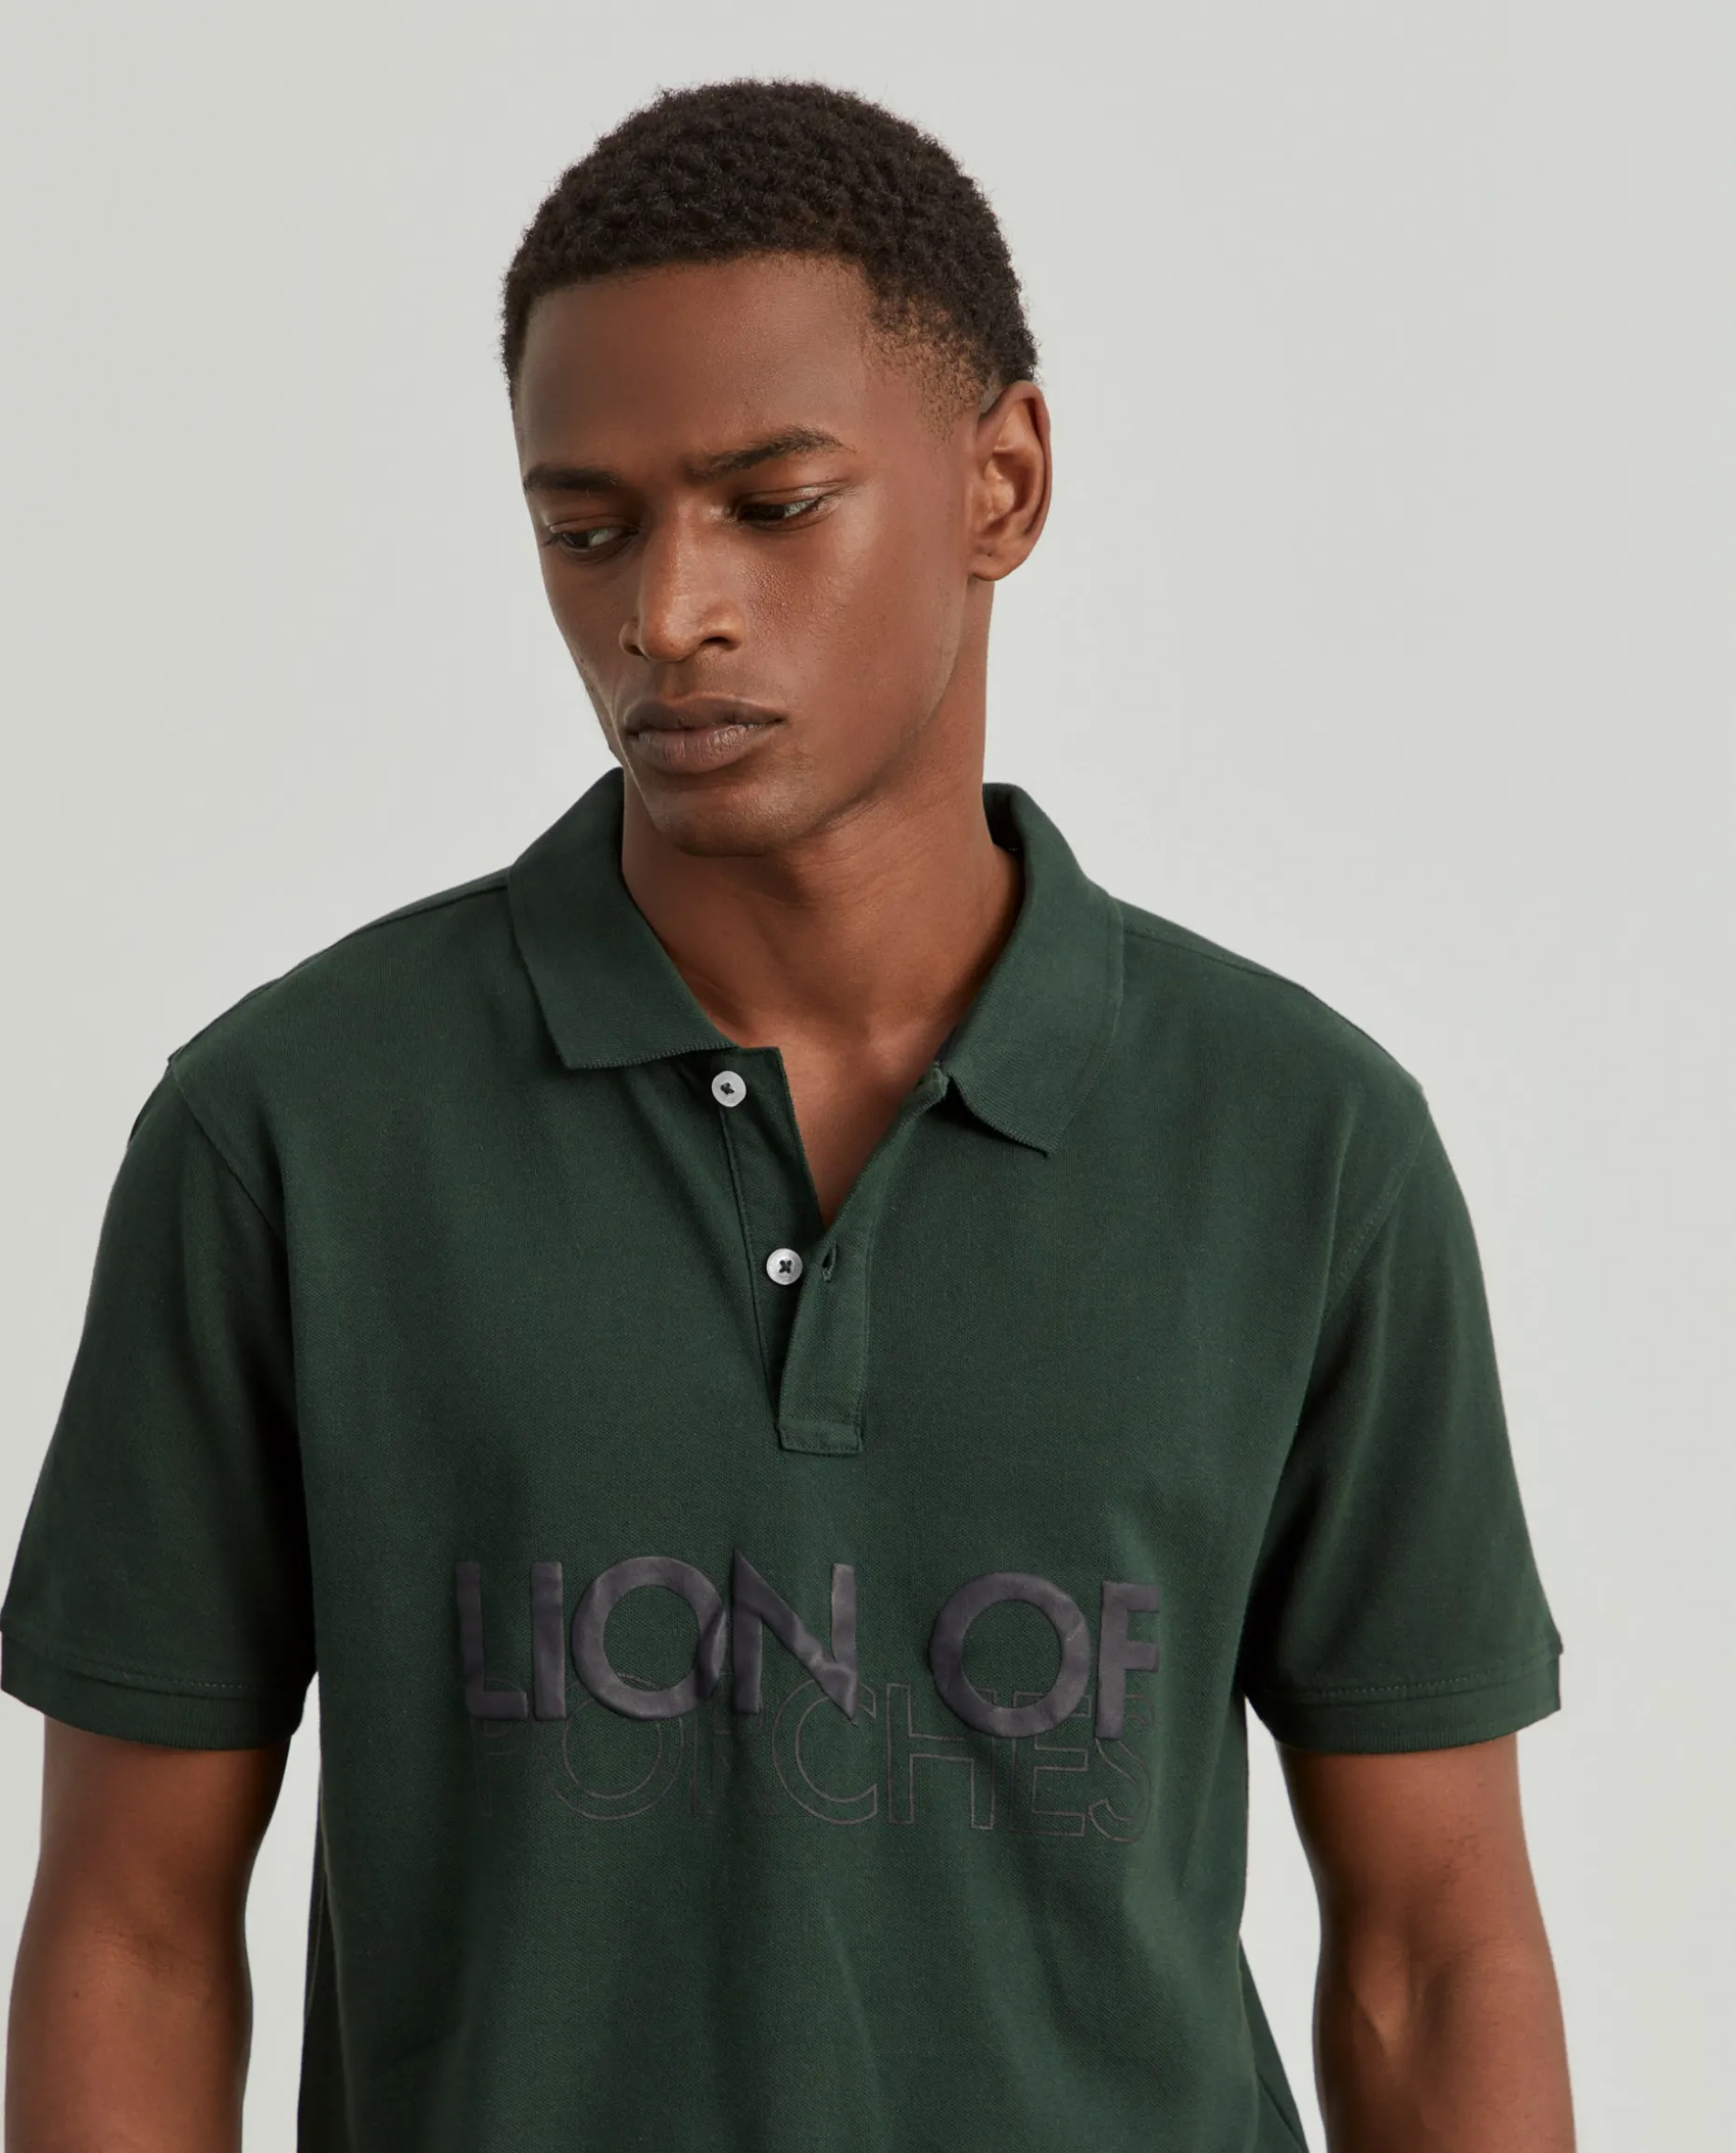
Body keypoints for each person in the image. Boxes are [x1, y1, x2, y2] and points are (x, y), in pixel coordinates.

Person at [0, 78, 1573, 2153]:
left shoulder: (1307, 1144)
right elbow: (129, 1929)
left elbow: (1435, 1946)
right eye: (586, 529)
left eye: (771, 502)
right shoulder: (285, 1132)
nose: (666, 613)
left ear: (1002, 481)